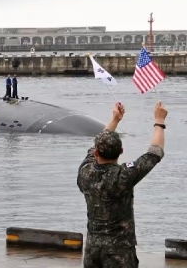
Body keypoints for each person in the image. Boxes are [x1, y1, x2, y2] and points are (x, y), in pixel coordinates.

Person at [77, 101, 167, 268]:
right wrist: (159, 121)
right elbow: (155, 153)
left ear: (96, 152)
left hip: (93, 249)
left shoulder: (85, 172)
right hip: (120, 251)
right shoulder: (124, 175)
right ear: (121, 151)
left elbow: (95, 146)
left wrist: (115, 120)